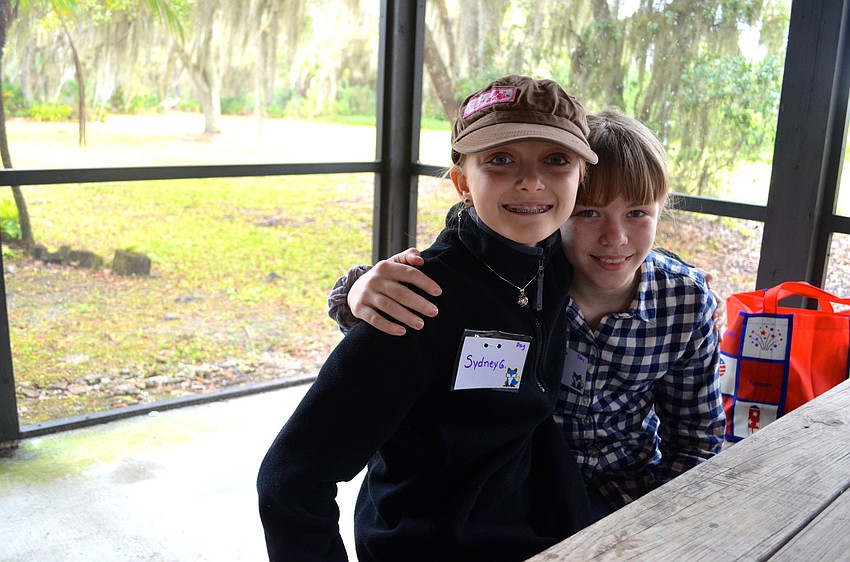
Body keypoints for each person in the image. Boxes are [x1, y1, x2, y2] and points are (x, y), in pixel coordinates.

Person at [257, 75, 598, 561]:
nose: (530, 180)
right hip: (430, 541)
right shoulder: (419, 301)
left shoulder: (554, 263)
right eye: (500, 160)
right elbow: (288, 479)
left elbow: (623, 243)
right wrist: (355, 291)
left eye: (556, 160)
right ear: (462, 183)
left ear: (580, 177)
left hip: (548, 525)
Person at [328, 110, 725, 519]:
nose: (615, 238)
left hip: (632, 495)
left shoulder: (686, 303)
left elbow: (696, 440)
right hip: (518, 503)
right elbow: (428, 298)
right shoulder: (516, 287)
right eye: (588, 213)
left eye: (638, 213)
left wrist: (655, 524)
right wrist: (356, 291)